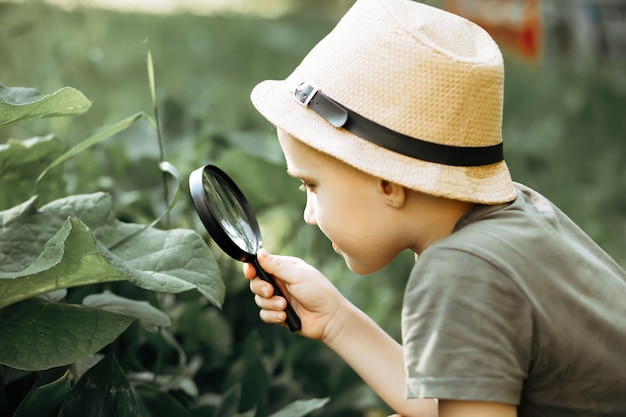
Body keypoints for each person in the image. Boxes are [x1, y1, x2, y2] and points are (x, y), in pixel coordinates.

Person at [242, 0, 626, 416]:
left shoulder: (461, 270)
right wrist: (337, 320)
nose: (309, 214)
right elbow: (458, 398)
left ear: (388, 183)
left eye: (310, 185)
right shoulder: (514, 221)